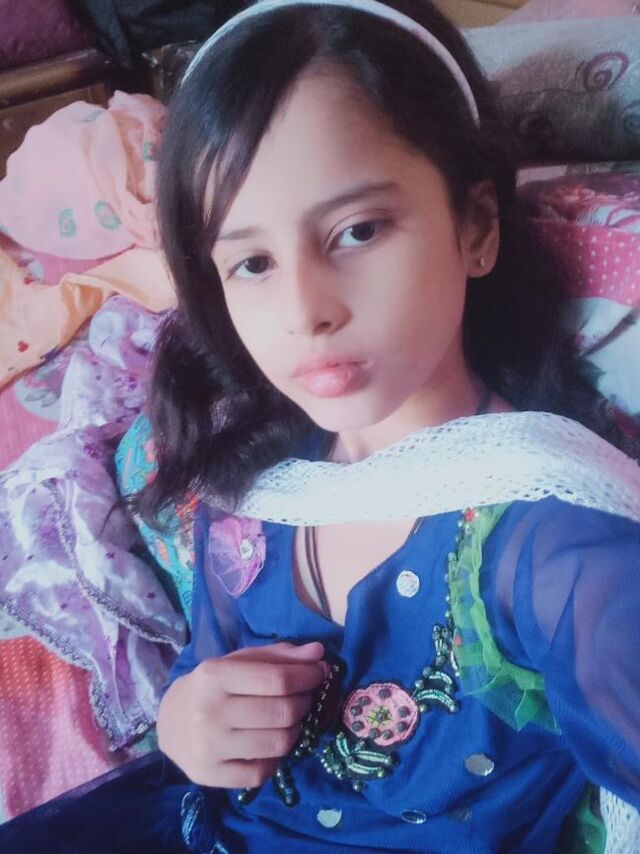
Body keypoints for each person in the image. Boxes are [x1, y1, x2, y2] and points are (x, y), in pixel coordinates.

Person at [3, 0, 640, 852]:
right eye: (253, 262)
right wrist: (188, 719)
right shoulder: (255, 488)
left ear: (476, 228)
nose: (305, 310)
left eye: (357, 231)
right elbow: (205, 672)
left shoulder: (554, 543)